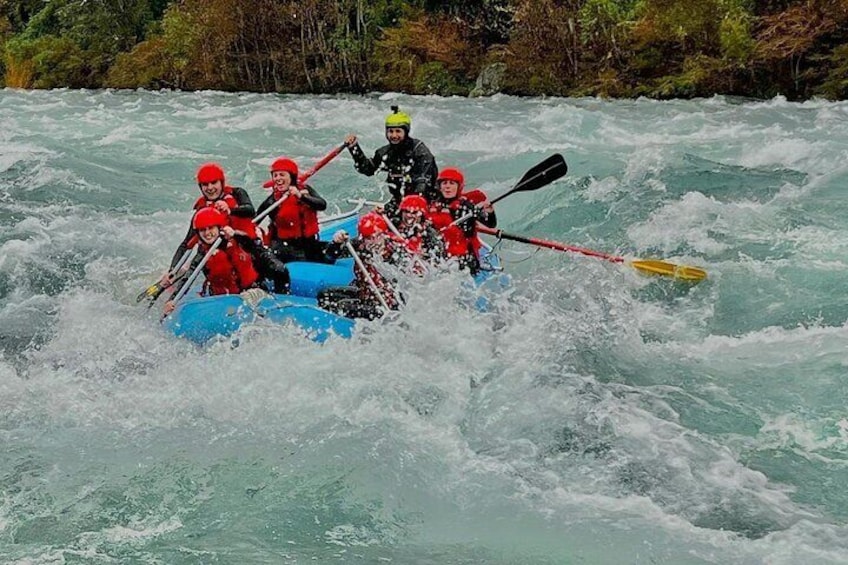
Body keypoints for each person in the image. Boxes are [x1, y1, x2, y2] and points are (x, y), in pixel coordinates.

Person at [163, 208, 266, 315]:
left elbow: (253, 246)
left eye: (211, 228)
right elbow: (188, 277)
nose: (207, 233)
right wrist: (172, 300)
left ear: (219, 228)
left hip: (250, 291)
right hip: (220, 297)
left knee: (246, 298)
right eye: (203, 230)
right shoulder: (203, 254)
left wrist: (235, 234)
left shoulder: (236, 240)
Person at [344, 106, 438, 219]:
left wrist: (409, 212)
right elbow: (368, 169)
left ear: (406, 132)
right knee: (373, 223)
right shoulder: (385, 153)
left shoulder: (420, 152)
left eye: (398, 131)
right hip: (398, 202)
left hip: (424, 202)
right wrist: (354, 148)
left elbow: (424, 185)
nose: (394, 136)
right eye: (390, 131)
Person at [317, 212, 404, 320]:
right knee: (324, 295)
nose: (373, 242)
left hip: (387, 304)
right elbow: (329, 258)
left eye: (377, 237)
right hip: (366, 294)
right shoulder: (360, 245)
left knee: (342, 307)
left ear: (383, 234)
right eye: (369, 238)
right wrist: (336, 243)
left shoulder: (396, 249)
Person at [255, 157, 330, 264]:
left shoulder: (305, 190)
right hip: (285, 249)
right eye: (275, 175)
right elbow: (254, 221)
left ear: (292, 177)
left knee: (337, 249)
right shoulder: (273, 201)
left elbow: (322, 205)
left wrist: (301, 196)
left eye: (282, 174)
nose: (277, 178)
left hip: (309, 244)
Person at [428, 167, 497, 274]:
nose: (447, 187)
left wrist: (490, 212)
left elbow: (491, 224)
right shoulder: (433, 206)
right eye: (444, 183)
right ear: (439, 187)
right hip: (440, 253)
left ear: (459, 187)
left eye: (452, 183)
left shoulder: (467, 207)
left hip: (465, 257)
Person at [395, 194, 445, 266]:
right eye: (406, 211)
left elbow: (438, 259)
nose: (409, 215)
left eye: (414, 213)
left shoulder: (429, 234)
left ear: (422, 215)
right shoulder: (393, 225)